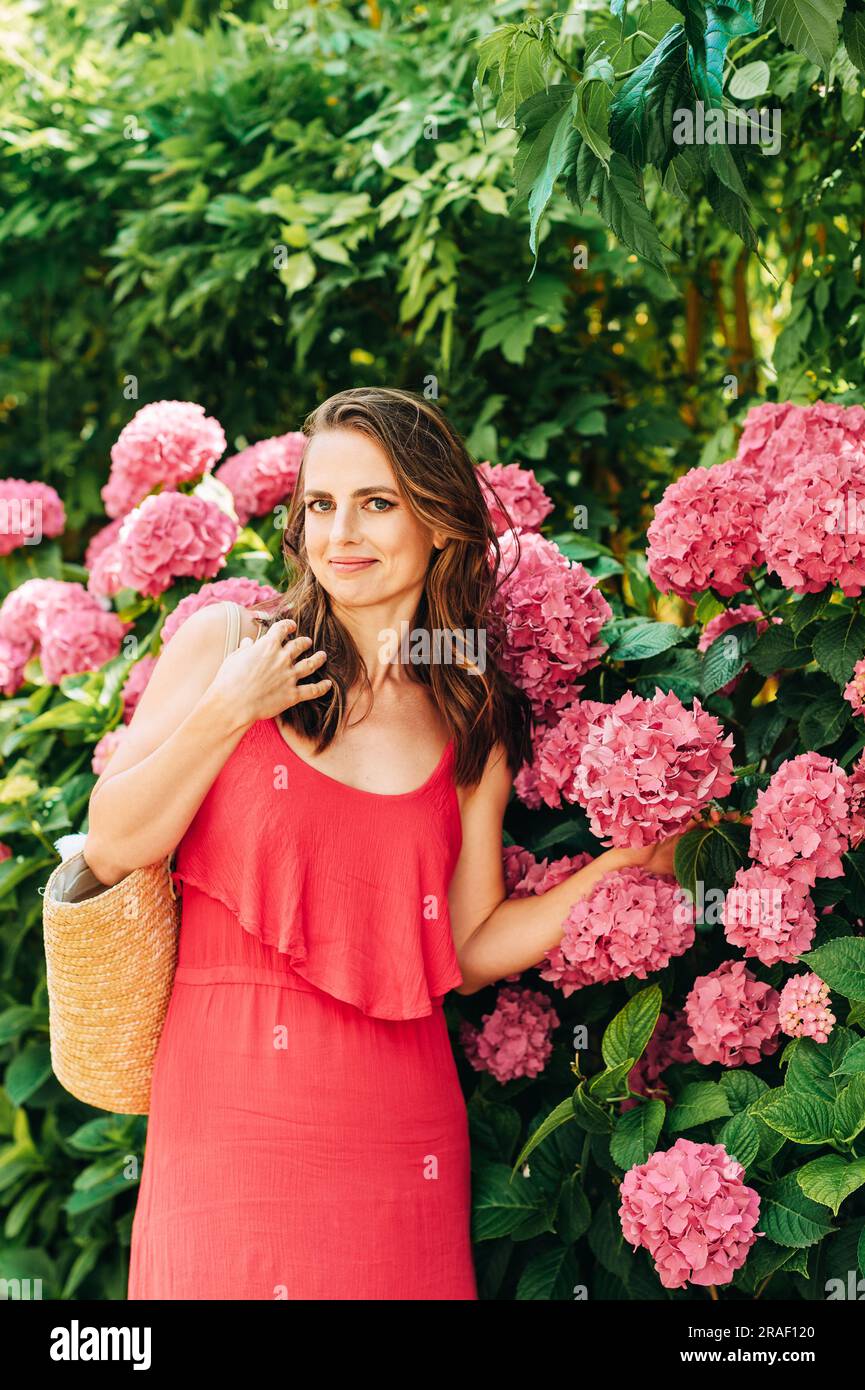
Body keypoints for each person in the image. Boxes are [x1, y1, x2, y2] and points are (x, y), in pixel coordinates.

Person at [83, 386, 683, 1301]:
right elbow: (114, 842)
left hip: (396, 1126)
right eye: (320, 505)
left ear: (438, 522)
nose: (340, 534)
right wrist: (229, 710)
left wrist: (615, 871)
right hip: (224, 1114)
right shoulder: (226, 643)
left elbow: (470, 946)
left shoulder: (468, 719)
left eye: (375, 502)